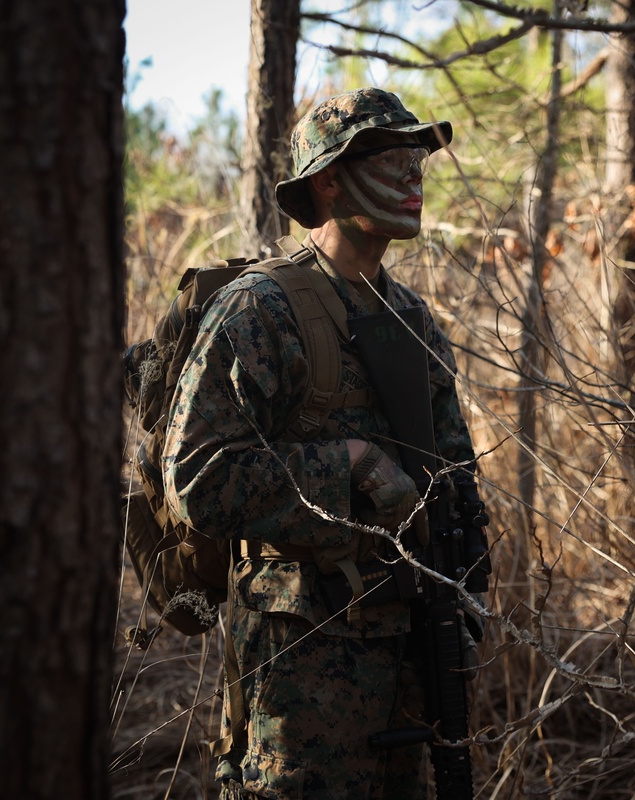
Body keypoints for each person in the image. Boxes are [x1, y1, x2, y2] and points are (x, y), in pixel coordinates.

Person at [163, 87, 483, 799]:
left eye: (419, 157)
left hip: (408, 647)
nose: (414, 175)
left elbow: (450, 474)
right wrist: (351, 465)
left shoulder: (412, 319)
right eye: (392, 157)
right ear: (328, 179)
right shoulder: (260, 308)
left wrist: (463, 586)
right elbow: (197, 480)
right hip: (299, 668)